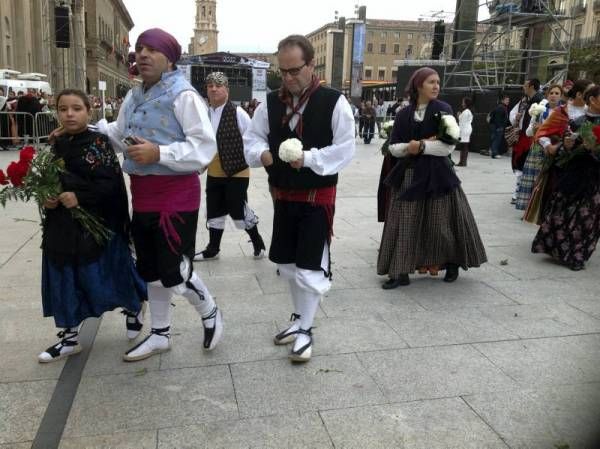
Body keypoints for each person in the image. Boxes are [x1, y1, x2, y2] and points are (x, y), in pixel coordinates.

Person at [97, 28, 223, 361]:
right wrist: (85, 128)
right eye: (139, 48)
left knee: (176, 271)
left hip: (175, 194)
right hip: (143, 193)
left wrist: (161, 154)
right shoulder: (133, 96)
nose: (143, 54)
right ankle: (160, 333)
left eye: (152, 49)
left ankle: (210, 312)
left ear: (169, 59)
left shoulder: (184, 95)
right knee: (150, 269)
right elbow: (118, 133)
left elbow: (204, 147)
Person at [244, 34, 355, 362]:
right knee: (290, 266)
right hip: (283, 195)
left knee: (309, 268)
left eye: (295, 70)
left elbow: (345, 149)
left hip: (316, 196)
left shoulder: (334, 101)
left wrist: (308, 159)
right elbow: (252, 137)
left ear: (311, 65)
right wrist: (261, 154)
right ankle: (298, 319)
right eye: (284, 71)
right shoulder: (270, 102)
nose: (289, 78)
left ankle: (306, 329)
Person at [38, 89, 146, 363]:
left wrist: (80, 197)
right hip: (62, 225)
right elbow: (48, 180)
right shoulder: (56, 143)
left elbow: (109, 185)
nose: (69, 114)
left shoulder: (98, 143)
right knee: (65, 278)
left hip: (96, 225)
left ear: (89, 111)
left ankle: (134, 306)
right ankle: (70, 338)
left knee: (108, 272)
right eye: (63, 109)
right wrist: (46, 199)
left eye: (76, 108)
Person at [377, 67, 487, 288]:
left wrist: (423, 146)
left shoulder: (443, 109)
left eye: (438, 82)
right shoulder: (403, 114)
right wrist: (410, 147)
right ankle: (400, 270)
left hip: (439, 175)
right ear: (418, 86)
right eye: (431, 82)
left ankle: (451, 262)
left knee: (442, 223)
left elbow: (447, 147)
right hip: (409, 175)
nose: (436, 86)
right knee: (405, 222)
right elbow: (394, 147)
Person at [193, 72, 266, 261]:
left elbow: (252, 139)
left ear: (227, 89)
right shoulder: (204, 114)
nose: (214, 89)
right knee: (214, 208)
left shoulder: (238, 113)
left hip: (237, 170)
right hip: (215, 170)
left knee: (237, 209)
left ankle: (258, 241)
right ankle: (213, 248)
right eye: (210, 86)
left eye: (218, 85)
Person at [532, 84, 600, 271]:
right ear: (592, 100)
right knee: (561, 211)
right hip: (573, 174)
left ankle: (577, 255)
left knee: (587, 219)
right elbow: (562, 149)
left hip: (594, 178)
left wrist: (592, 150)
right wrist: (568, 145)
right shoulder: (577, 122)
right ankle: (556, 248)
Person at [515, 84, 562, 211]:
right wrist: (535, 128)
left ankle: (543, 210)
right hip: (537, 149)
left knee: (546, 181)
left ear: (561, 96)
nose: (554, 95)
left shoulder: (563, 113)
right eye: (551, 93)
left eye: (557, 93)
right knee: (533, 180)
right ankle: (530, 210)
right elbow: (528, 132)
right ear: (547, 95)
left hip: (553, 148)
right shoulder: (540, 110)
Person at [509, 78, 544, 204]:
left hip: (532, 138)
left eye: (525, 85)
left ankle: (523, 193)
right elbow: (513, 114)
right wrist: (516, 117)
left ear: (532, 87)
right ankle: (519, 191)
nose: (523, 87)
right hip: (523, 135)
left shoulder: (540, 101)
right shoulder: (524, 101)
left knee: (526, 164)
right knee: (519, 162)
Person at [488, 94, 510, 159]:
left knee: (495, 139)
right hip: (497, 126)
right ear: (502, 100)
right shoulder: (501, 107)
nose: (508, 101)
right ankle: (494, 153)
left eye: (508, 100)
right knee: (496, 139)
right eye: (506, 100)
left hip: (496, 126)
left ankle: (494, 152)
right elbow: (498, 119)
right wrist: (499, 127)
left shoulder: (501, 107)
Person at [456, 97, 473, 166]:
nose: (462, 103)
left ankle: (462, 162)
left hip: (464, 129)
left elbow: (462, 121)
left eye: (463, 102)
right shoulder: (468, 111)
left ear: (466, 103)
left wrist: (459, 115)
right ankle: (463, 161)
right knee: (465, 145)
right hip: (467, 129)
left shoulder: (466, 112)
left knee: (463, 146)